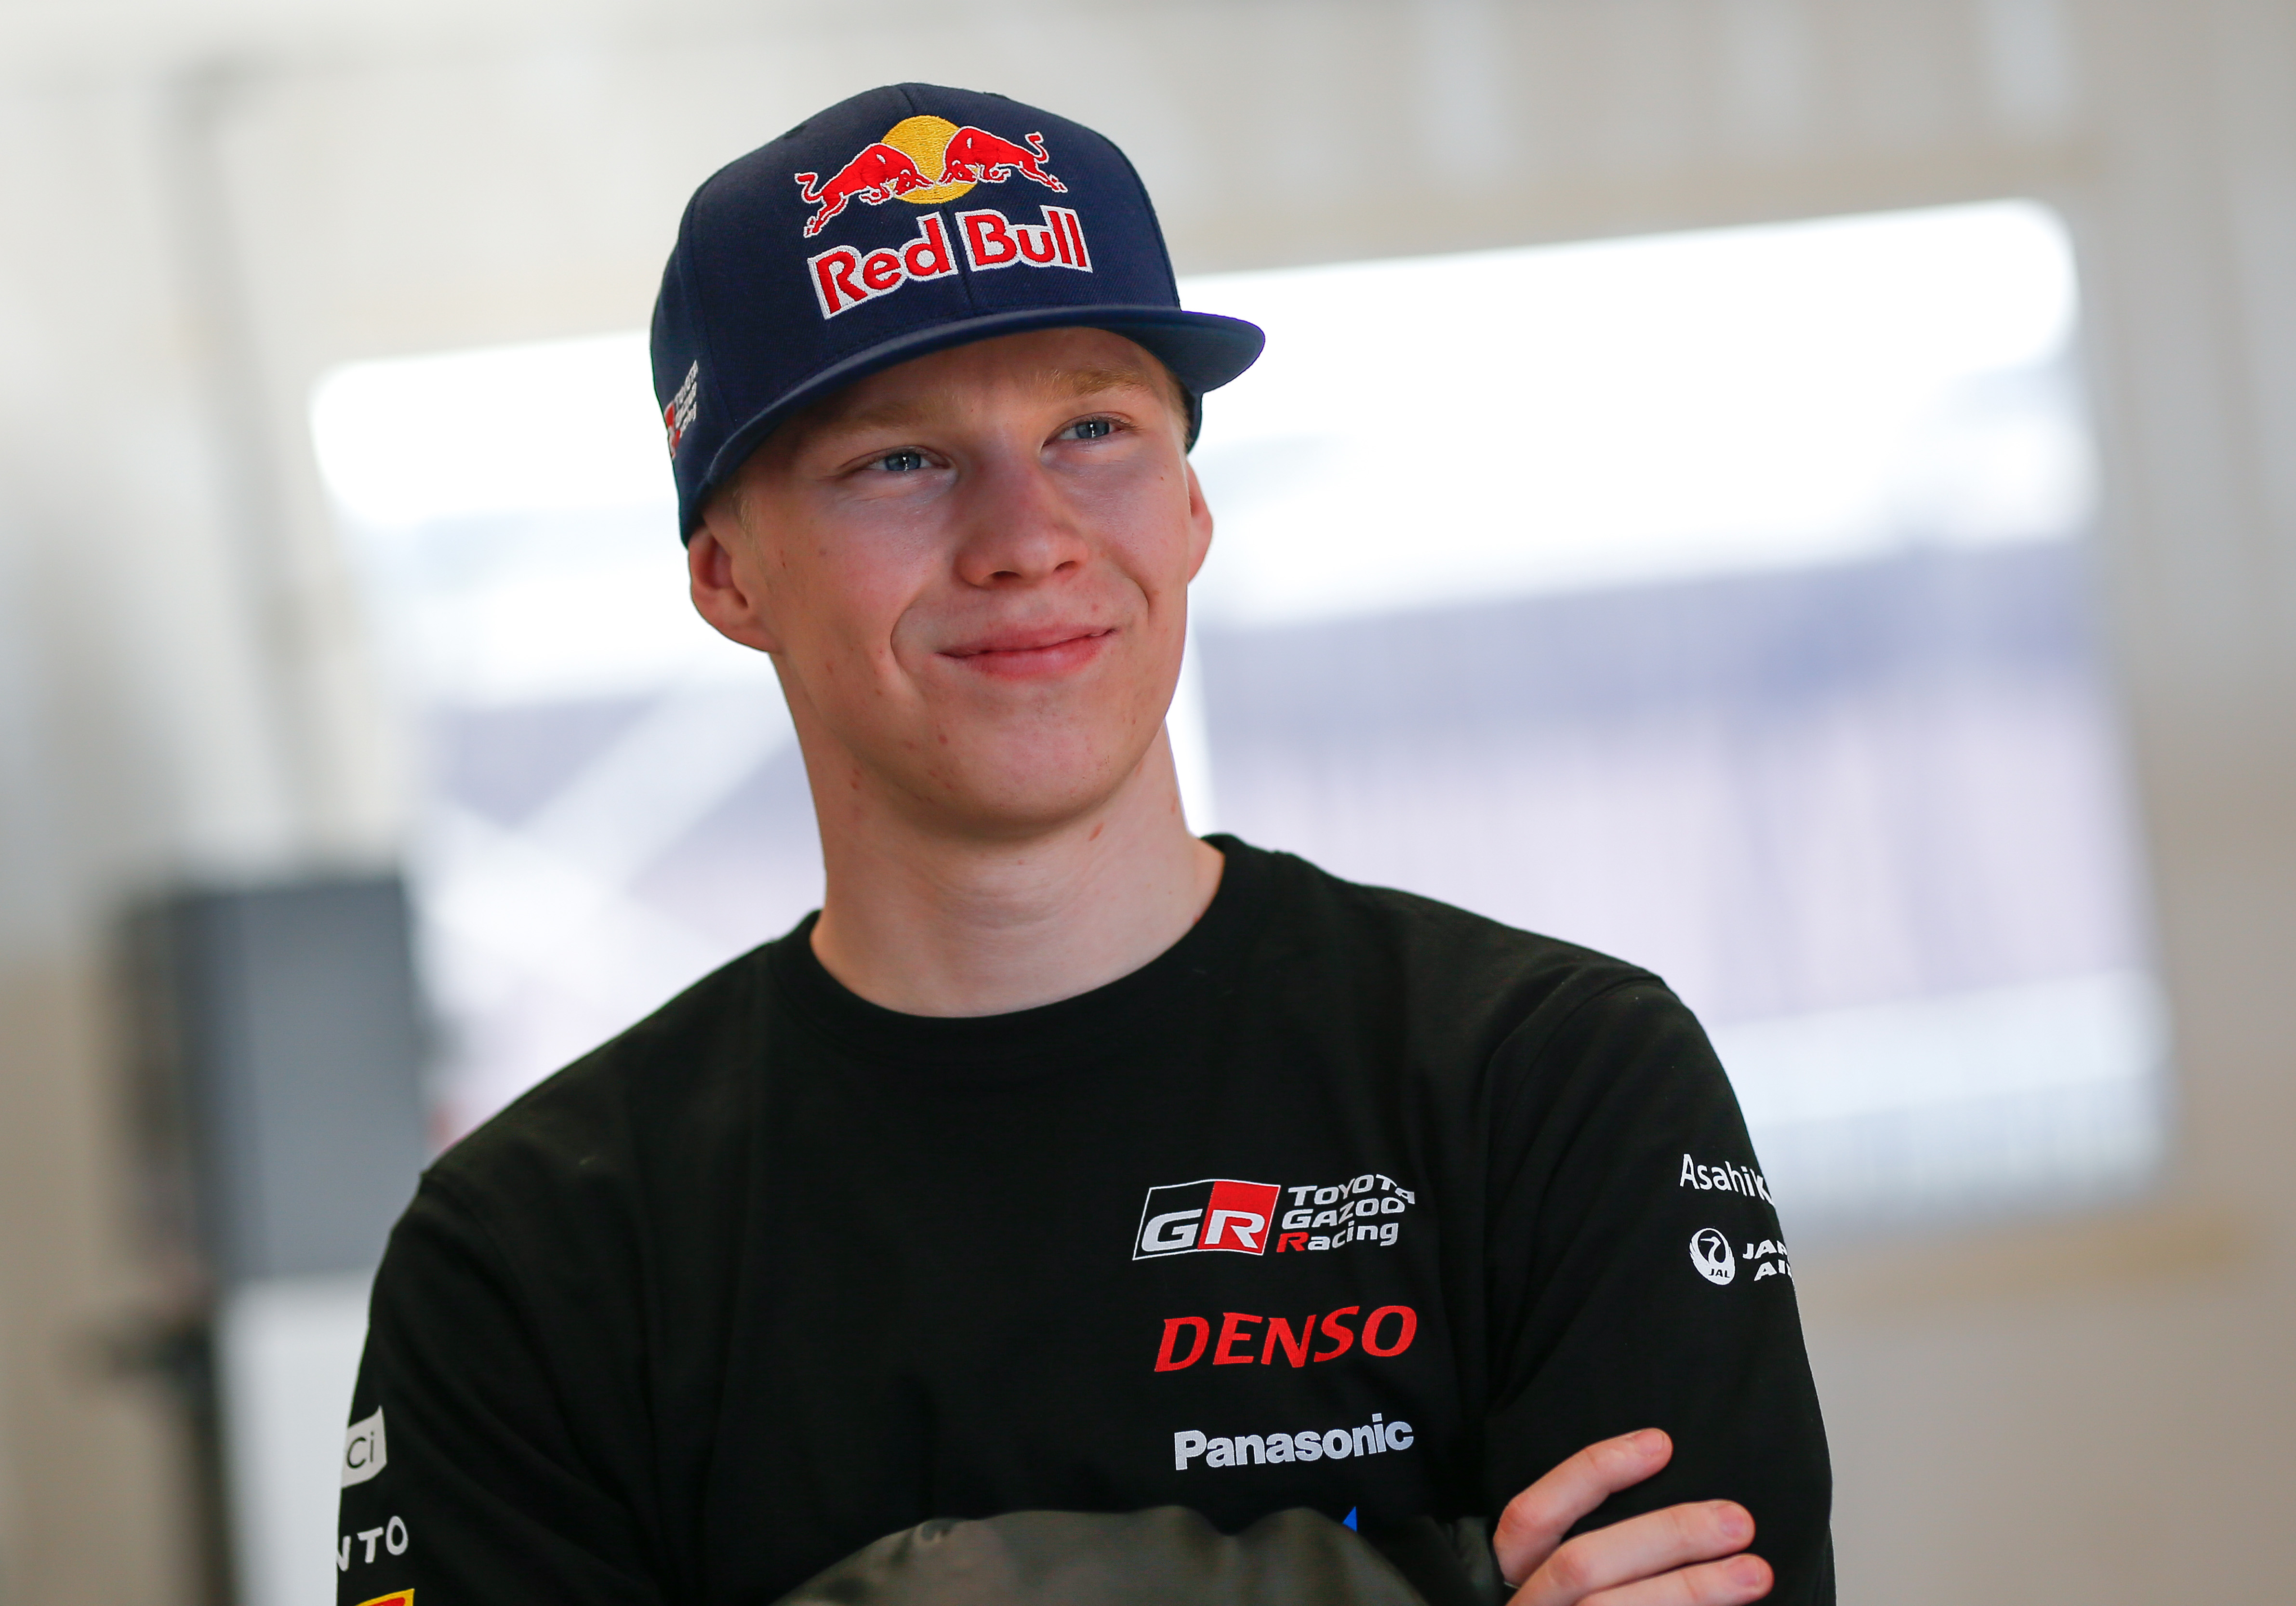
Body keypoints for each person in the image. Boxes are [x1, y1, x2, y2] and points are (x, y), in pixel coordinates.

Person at [334, 83, 1832, 1606]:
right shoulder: (530, 1259)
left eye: (1093, 430)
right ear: (730, 576)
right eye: (900, 460)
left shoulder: (1550, 1088)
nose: (1028, 538)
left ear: (1190, 507)